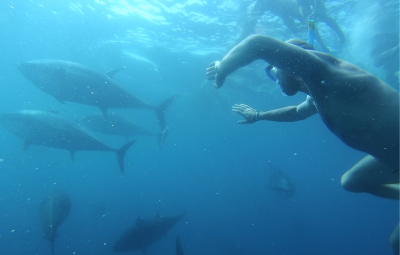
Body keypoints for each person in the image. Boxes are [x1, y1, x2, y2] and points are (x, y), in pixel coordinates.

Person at [206, 35, 399, 251]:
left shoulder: (326, 71)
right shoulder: (318, 90)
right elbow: (297, 112)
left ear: (292, 62)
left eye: (276, 68)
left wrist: (223, 67)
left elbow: (257, 43)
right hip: (391, 159)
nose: (275, 76)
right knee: (351, 182)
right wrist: (258, 115)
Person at [237, 0, 305, 43]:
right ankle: (308, 26)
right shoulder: (261, 3)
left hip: (288, 6)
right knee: (296, 30)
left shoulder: (261, 3)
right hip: (284, 14)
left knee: (304, 21)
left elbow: (254, 15)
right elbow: (254, 15)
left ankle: (310, 24)